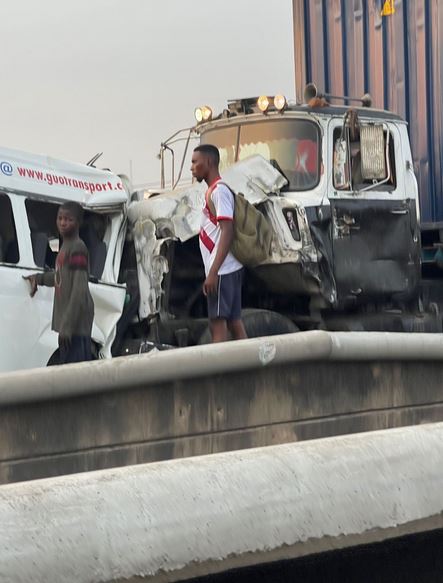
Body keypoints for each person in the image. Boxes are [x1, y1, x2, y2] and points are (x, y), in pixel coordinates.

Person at [23, 201, 94, 364]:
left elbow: (79, 288)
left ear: (78, 222)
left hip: (77, 325)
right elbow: (60, 277)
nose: (63, 222)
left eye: (68, 219)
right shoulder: (65, 247)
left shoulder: (78, 248)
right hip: (69, 324)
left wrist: (67, 326)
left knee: (75, 371)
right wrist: (38, 279)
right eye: (60, 218)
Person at [191, 144, 247, 343]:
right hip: (228, 268)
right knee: (234, 323)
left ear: (208, 162)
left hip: (222, 270)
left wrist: (213, 272)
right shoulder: (214, 191)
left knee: (217, 326)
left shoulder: (219, 191)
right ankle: (249, 361)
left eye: (195, 162)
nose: (191, 167)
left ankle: (220, 365)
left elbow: (227, 231)